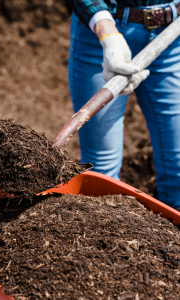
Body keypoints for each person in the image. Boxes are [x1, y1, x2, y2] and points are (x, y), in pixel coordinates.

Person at [68, 0, 180, 209]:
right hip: (101, 35)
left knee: (178, 167)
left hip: (172, 37)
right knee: (101, 171)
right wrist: (107, 34)